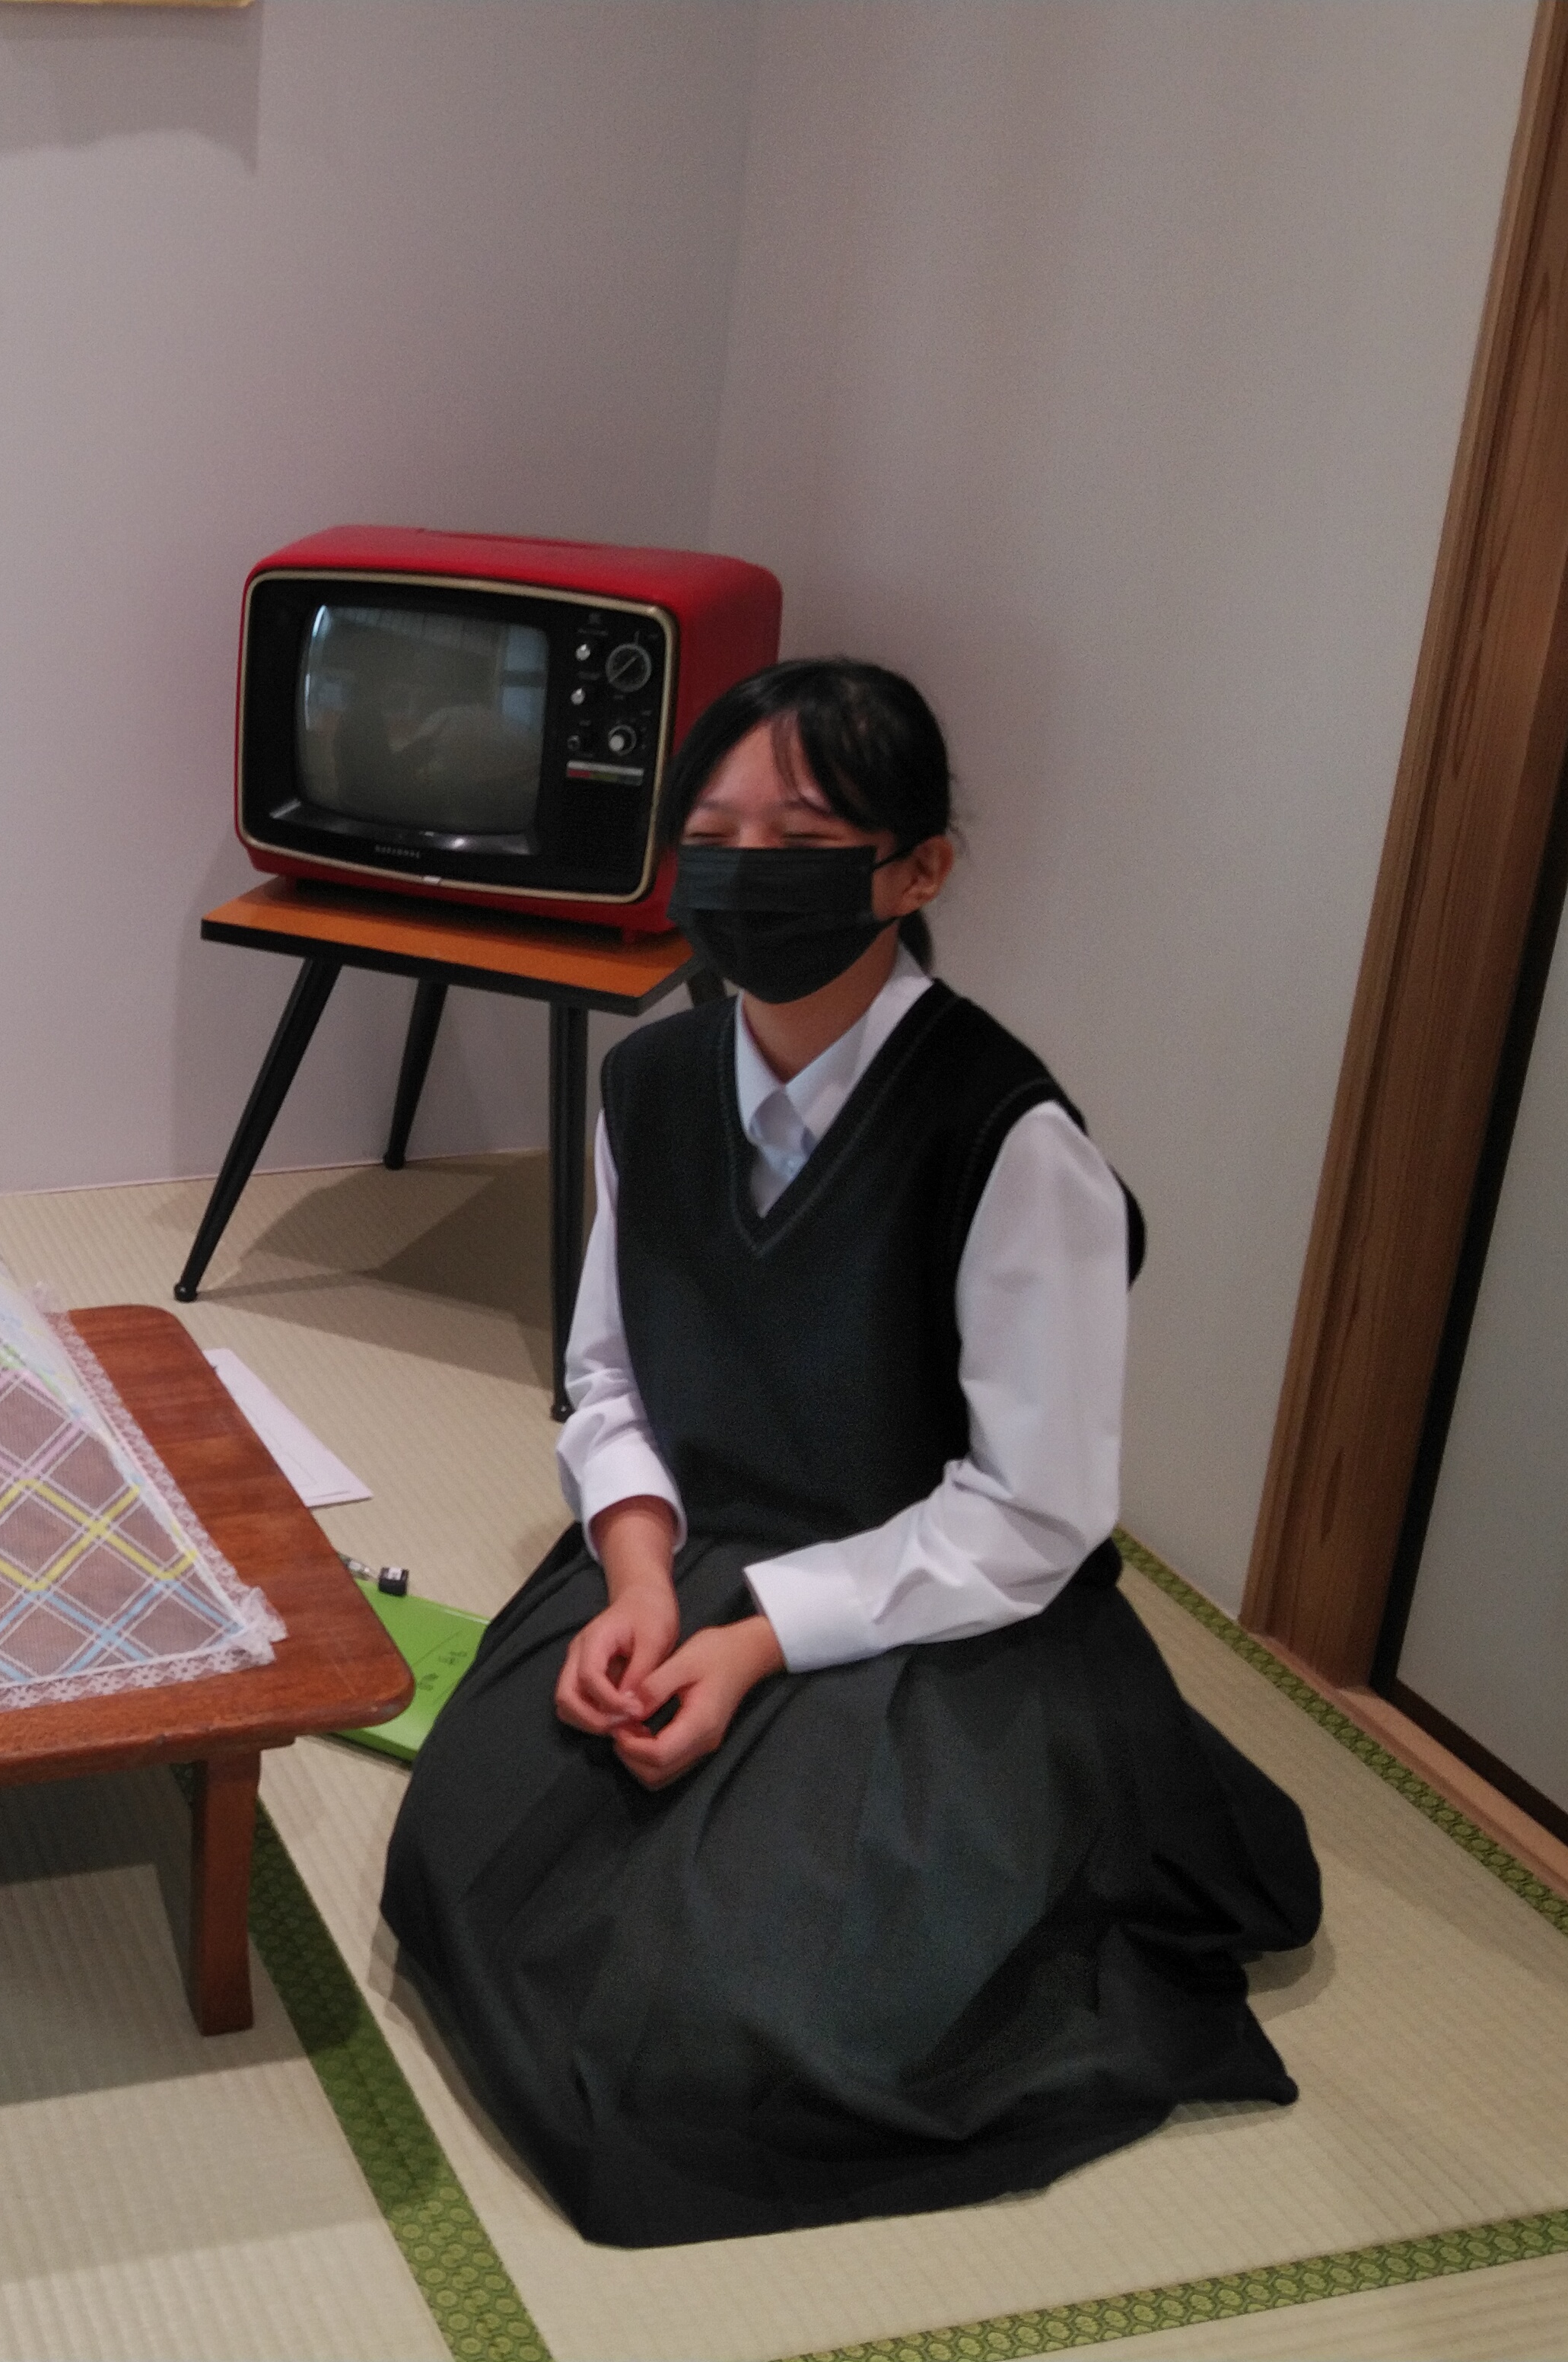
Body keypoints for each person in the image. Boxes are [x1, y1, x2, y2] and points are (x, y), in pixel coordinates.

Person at [377, 657, 1322, 2249]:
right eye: (714, 831)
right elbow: (606, 1376)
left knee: (709, 2033)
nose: (745, 870)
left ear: (917, 868)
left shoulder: (1009, 1139)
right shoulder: (652, 1081)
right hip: (701, 1558)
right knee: (464, 1853)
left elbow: (1033, 1515)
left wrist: (758, 1638)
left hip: (937, 1612)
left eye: (802, 836)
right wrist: (634, 1577)